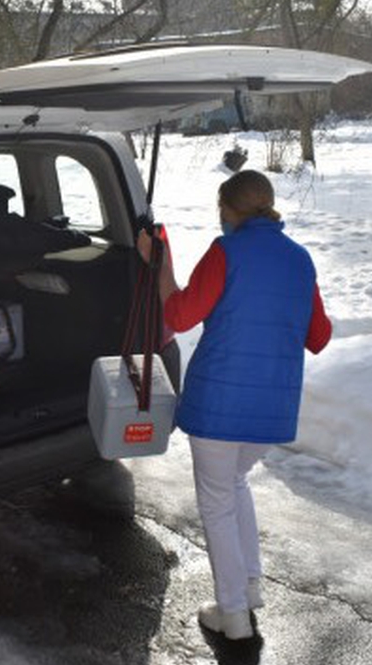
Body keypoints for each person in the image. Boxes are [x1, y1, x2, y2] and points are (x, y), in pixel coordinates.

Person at [137, 169, 332, 640]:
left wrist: (159, 269)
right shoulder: (300, 259)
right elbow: (319, 337)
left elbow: (181, 315)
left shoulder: (226, 252)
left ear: (229, 210)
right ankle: (249, 586)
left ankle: (232, 615)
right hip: (272, 411)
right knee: (235, 484)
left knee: (218, 502)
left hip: (220, 405)